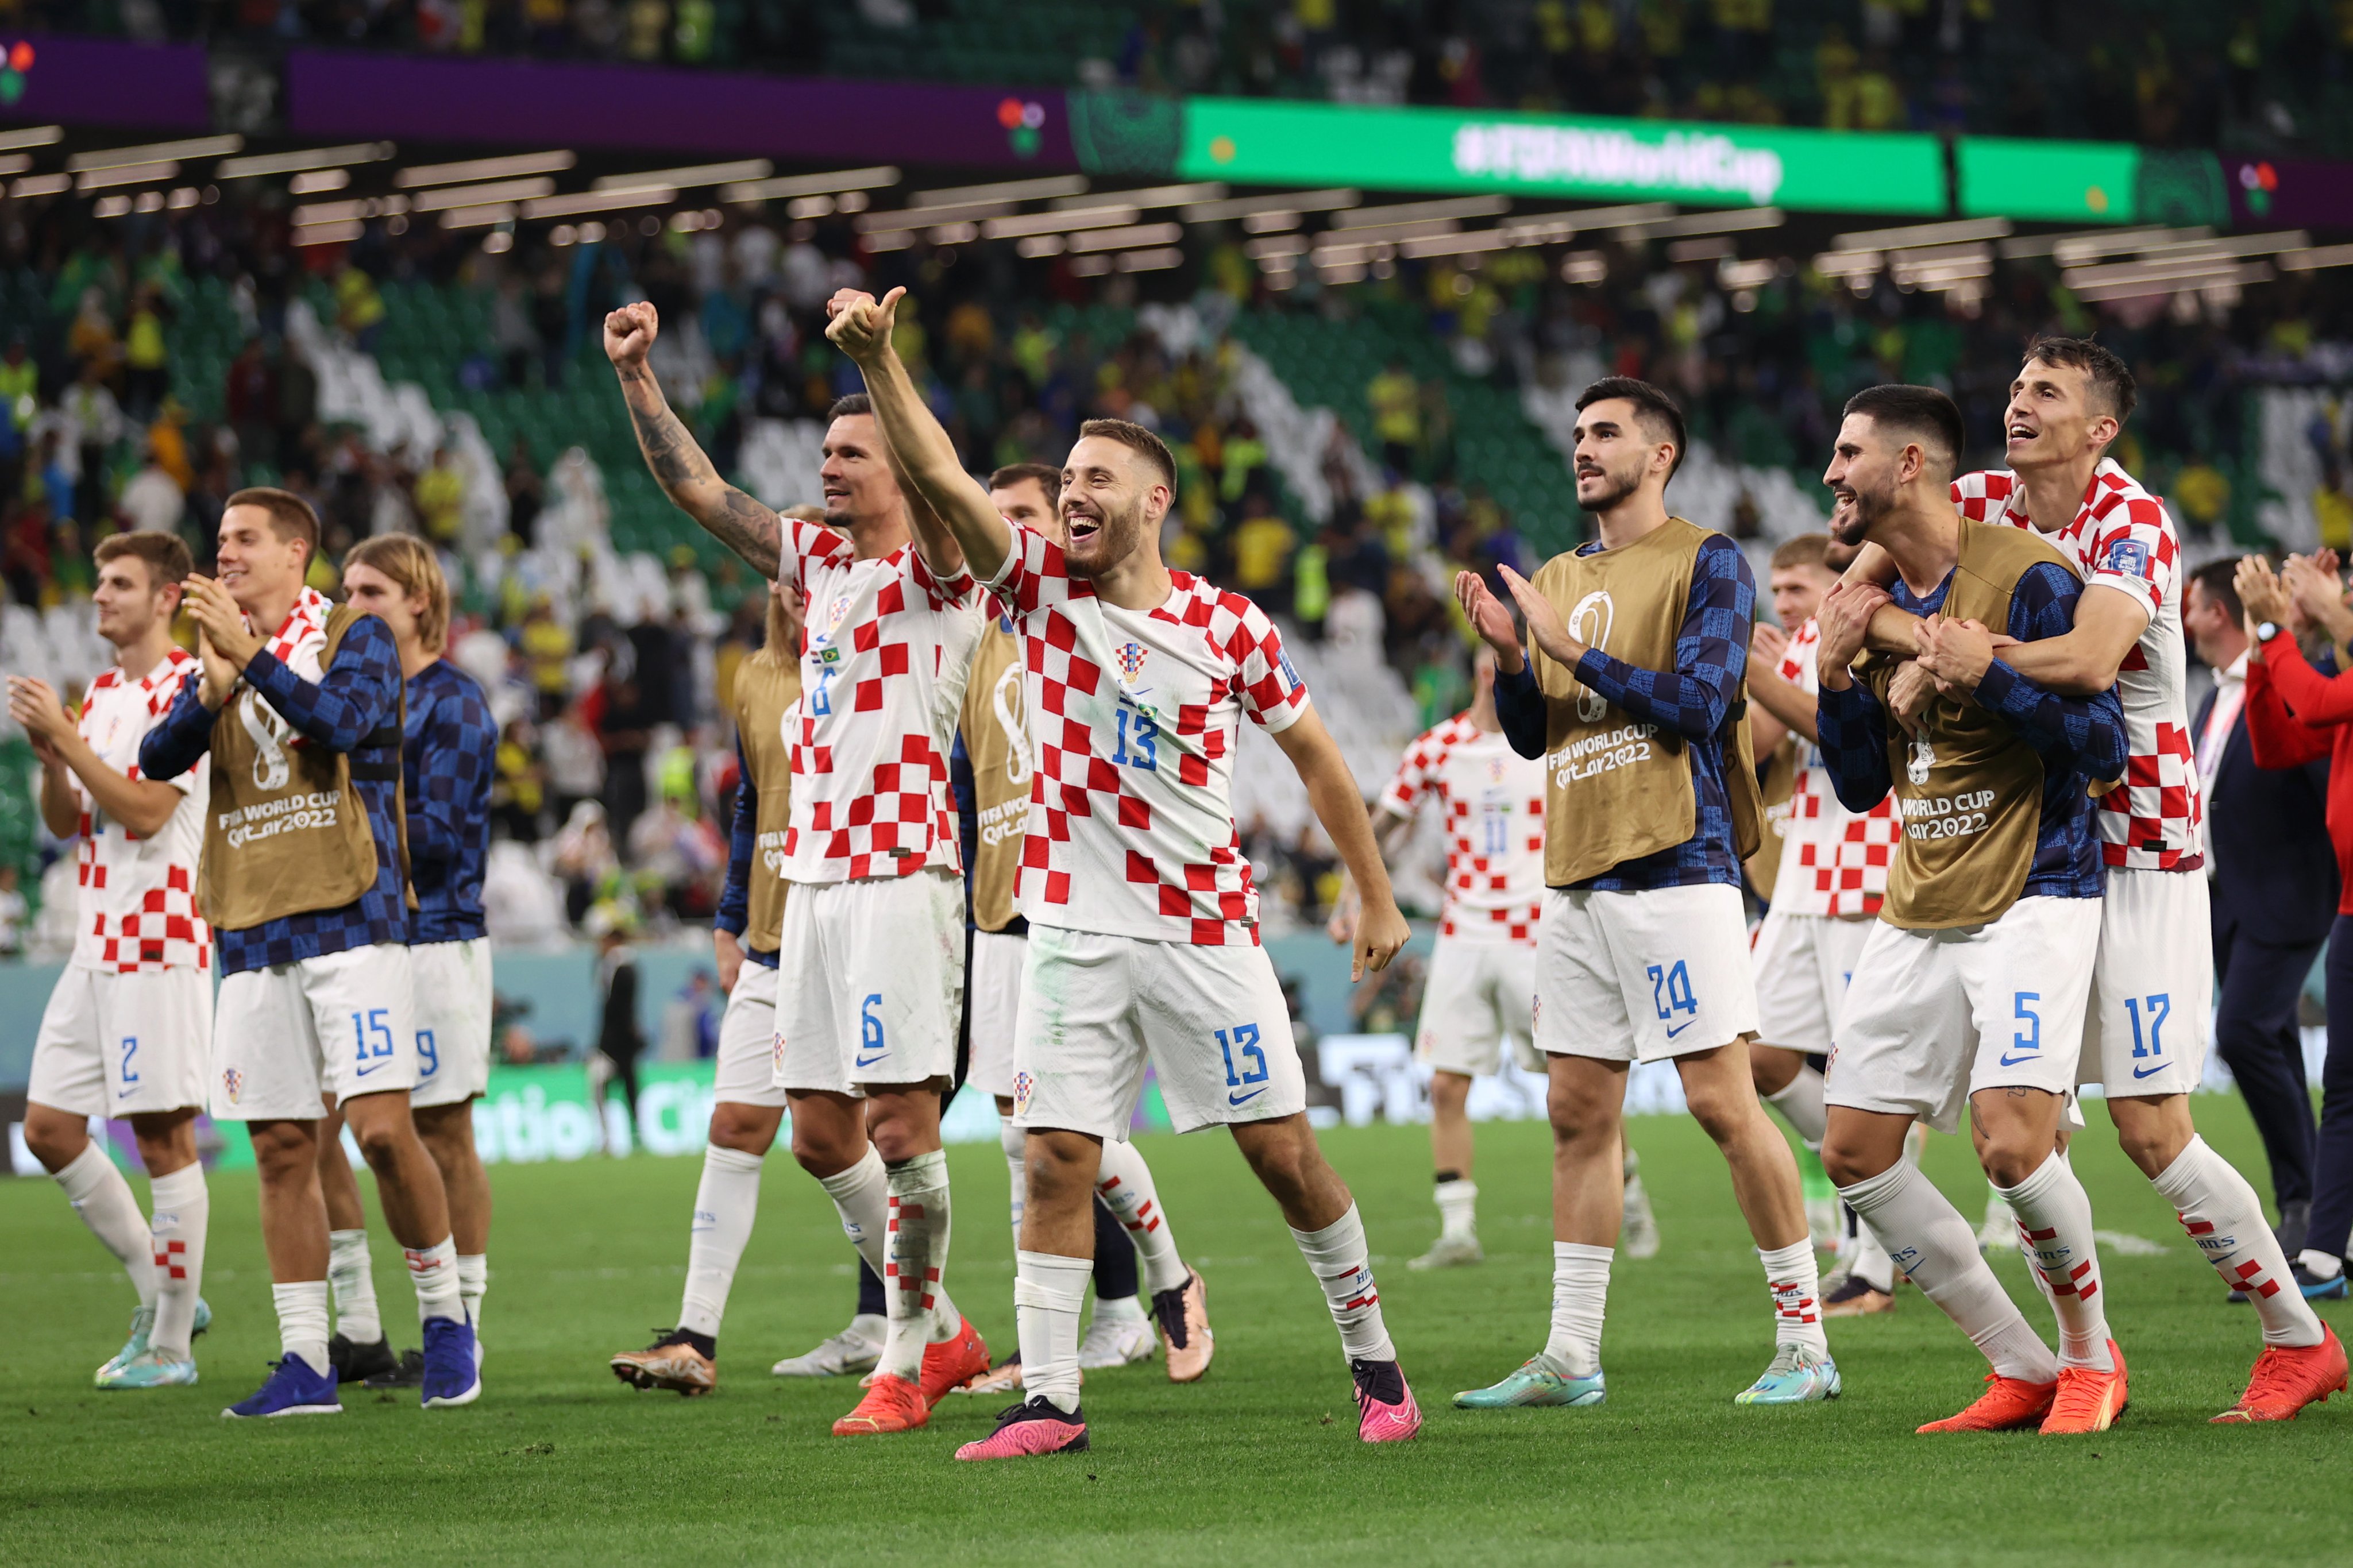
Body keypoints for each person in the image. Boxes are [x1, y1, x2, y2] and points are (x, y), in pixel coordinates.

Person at [829, 286, 1421, 1459]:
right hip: (1070, 931)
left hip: (1205, 933)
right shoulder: (1040, 591)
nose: (1073, 494)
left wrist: (1375, 890)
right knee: (1053, 1158)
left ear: (1155, 500)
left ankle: (1376, 1365)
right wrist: (883, 361)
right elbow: (940, 476)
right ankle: (1050, 1401)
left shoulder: (1228, 627)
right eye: (1065, 478)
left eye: (1097, 478)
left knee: (1284, 1158)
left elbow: (1316, 757)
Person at [1851, 342, 2342, 1406]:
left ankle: (2298, 1337)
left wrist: (1959, 657)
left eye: (2047, 393)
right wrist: (1923, 641)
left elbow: (2084, 661)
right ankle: (2078, 1361)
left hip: (2140, 839)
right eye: (2015, 387)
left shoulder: (2133, 520)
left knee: (2150, 1126)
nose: (2017, 404)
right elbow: (1856, 599)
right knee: (2028, 1132)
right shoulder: (1979, 497)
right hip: (2028, 848)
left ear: (2101, 428)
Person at [607, 301, 992, 1436]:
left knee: (901, 1129)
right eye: (824, 451)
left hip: (902, 876)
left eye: (852, 453)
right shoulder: (817, 565)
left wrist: (881, 364)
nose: (828, 467)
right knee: (823, 1138)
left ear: (902, 468)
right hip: (810, 890)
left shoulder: (944, 573)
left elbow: (939, 479)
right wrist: (638, 377)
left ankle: (905, 1364)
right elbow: (700, 493)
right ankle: (948, 1330)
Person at [1455, 377, 1831, 1412]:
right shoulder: (1554, 576)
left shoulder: (1708, 560)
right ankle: (1571, 1354)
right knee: (1576, 1112)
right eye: (1578, 432)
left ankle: (1806, 1342)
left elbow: (1704, 701)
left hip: (1679, 859)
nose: (1583, 447)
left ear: (1660, 455)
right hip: (1578, 867)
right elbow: (1535, 736)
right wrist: (1512, 658)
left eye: (1606, 433)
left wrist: (1568, 648)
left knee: (1722, 1102)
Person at [1812, 383, 2143, 1435]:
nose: (1831, 473)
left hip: (2036, 889)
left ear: (1910, 464)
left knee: (2010, 1143)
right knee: (1854, 1151)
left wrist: (1984, 675)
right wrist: (1835, 677)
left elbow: (2104, 748)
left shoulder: (2027, 577)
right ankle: (2019, 1363)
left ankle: (2090, 1360)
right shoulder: (1866, 609)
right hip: (1920, 897)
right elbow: (1860, 785)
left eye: (1849, 453)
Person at [140, 487, 477, 1417]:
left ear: (297, 551)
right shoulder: (216, 648)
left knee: (382, 1131)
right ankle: (305, 1360)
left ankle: (446, 1318)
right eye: (220, 540)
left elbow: (346, 723)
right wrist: (210, 689)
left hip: (352, 917)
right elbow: (159, 759)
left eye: (244, 539)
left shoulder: (351, 633)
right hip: (252, 923)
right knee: (282, 1146)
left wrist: (248, 661)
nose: (225, 553)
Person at [951, 461, 1213, 1396]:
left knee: (1066, 1128)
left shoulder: (1091, 623)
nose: (1005, 531)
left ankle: (1156, 1288)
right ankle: (1107, 1317)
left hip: (1081, 903)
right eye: (994, 517)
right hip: (996, 911)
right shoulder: (978, 640)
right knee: (1023, 1139)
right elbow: (967, 786)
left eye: (1024, 515)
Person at [1333, 648, 1660, 1269]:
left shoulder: (1553, 740)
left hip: (1539, 930)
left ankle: (1631, 1187)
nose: (1498, 664)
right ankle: (1458, 1231)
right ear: (1477, 670)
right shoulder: (1438, 747)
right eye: (1490, 653)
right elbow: (1383, 827)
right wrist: (1352, 895)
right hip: (1463, 932)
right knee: (1445, 1083)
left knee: (1574, 1085)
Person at [7, 532, 214, 1389]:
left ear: (166, 597)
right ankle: (165, 1298)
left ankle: (172, 1346)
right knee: (48, 1129)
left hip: (159, 942)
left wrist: (71, 740)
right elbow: (70, 822)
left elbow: (147, 811)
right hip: (97, 943)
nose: (100, 595)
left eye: (119, 583)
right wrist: (52, 761)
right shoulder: (100, 694)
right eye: (99, 582)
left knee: (163, 1137)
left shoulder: (190, 690)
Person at [309, 536, 500, 1388]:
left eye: (372, 591)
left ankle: (464, 1324)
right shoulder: (349, 694)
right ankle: (358, 1326)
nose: (352, 605)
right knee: (322, 1124)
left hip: (436, 936)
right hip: (359, 935)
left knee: (442, 1131)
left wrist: (337, 837)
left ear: (420, 599)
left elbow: (442, 832)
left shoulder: (451, 701)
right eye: (346, 590)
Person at [1741, 532, 1907, 1315]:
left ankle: (1876, 1263)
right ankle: (1868, 1180)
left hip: (1861, 880)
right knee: (1756, 1055)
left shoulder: (1865, 627)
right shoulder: (1799, 646)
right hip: (1799, 882)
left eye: (1796, 588)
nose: (1782, 604)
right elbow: (1758, 739)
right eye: (1774, 591)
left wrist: (1751, 672)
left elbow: (1832, 728)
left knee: (1860, 1078)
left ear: (1834, 583)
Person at [2185, 559, 2335, 1265]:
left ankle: (2312, 1204)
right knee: (2267, 1041)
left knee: (2241, 1032)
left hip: (2287, 893)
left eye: (2192, 605)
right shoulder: (2213, 696)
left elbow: (2325, 777)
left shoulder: (2293, 678)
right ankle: (2307, 1211)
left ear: (2219, 612)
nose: (2184, 618)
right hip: (2227, 898)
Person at [2238, 551, 2353, 1312]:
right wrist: (2262, 653)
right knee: (2343, 1084)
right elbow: (2277, 743)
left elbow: (2309, 705)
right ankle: (2326, 1249)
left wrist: (2276, 627)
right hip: (2351, 910)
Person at [588, 916, 645, 1149]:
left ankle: (610, 1136)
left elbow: (617, 1007)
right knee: (627, 1086)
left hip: (614, 1042)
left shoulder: (619, 966)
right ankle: (632, 1133)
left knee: (601, 1085)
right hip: (622, 1041)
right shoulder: (619, 966)